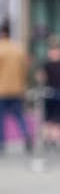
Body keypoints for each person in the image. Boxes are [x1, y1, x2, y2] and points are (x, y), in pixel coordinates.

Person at [0, 19, 30, 150]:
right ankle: (26, 136)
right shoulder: (19, 49)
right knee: (19, 115)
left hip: (2, 89)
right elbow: (25, 69)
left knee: (1, 118)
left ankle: (1, 142)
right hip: (17, 88)